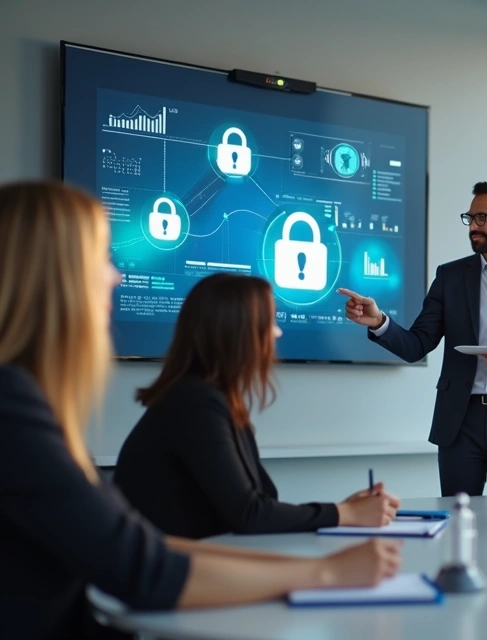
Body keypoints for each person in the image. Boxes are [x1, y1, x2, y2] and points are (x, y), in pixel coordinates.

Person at [0, 182, 400, 640]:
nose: (115, 276)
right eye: (100, 261)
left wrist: (324, 566)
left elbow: (155, 549)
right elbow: (147, 566)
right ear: (53, 278)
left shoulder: (24, 403)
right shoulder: (12, 407)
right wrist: (325, 574)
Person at [114, 273, 400, 539]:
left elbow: (261, 501)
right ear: (237, 332)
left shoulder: (216, 400)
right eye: (269, 322)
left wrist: (344, 510)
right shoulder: (194, 403)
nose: (277, 333)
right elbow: (249, 514)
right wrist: (344, 514)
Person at [339, 182, 487, 496]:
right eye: (470, 218)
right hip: (460, 422)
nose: (473, 226)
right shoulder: (450, 277)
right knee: (456, 522)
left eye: (482, 218)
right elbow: (417, 345)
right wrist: (380, 322)